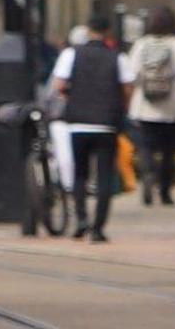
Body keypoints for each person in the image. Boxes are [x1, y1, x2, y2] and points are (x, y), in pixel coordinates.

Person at [47, 22, 128, 242]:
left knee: (79, 174)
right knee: (103, 177)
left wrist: (71, 96)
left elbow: (58, 84)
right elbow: (127, 87)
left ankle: (81, 219)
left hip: (78, 123)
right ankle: (98, 227)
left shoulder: (71, 54)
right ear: (106, 33)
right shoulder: (117, 57)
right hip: (106, 124)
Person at [124, 8, 175, 208]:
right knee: (169, 152)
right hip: (172, 107)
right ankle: (165, 190)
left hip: (144, 105)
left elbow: (131, 75)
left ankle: (148, 173)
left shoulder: (141, 44)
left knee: (145, 147)